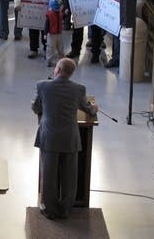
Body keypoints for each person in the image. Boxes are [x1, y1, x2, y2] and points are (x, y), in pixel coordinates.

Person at [32, 57, 98, 220]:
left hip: (50, 138)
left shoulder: (43, 86)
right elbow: (87, 109)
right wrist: (94, 108)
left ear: (58, 70)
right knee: (69, 177)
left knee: (49, 175)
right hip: (70, 138)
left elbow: (36, 108)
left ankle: (50, 210)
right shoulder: (79, 89)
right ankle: (65, 209)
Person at [46, 0, 64, 67]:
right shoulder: (50, 14)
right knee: (51, 48)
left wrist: (65, 13)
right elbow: (46, 25)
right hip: (51, 34)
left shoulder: (60, 13)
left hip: (59, 33)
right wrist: (45, 33)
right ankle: (49, 61)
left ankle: (62, 59)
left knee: (60, 47)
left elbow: (63, 17)